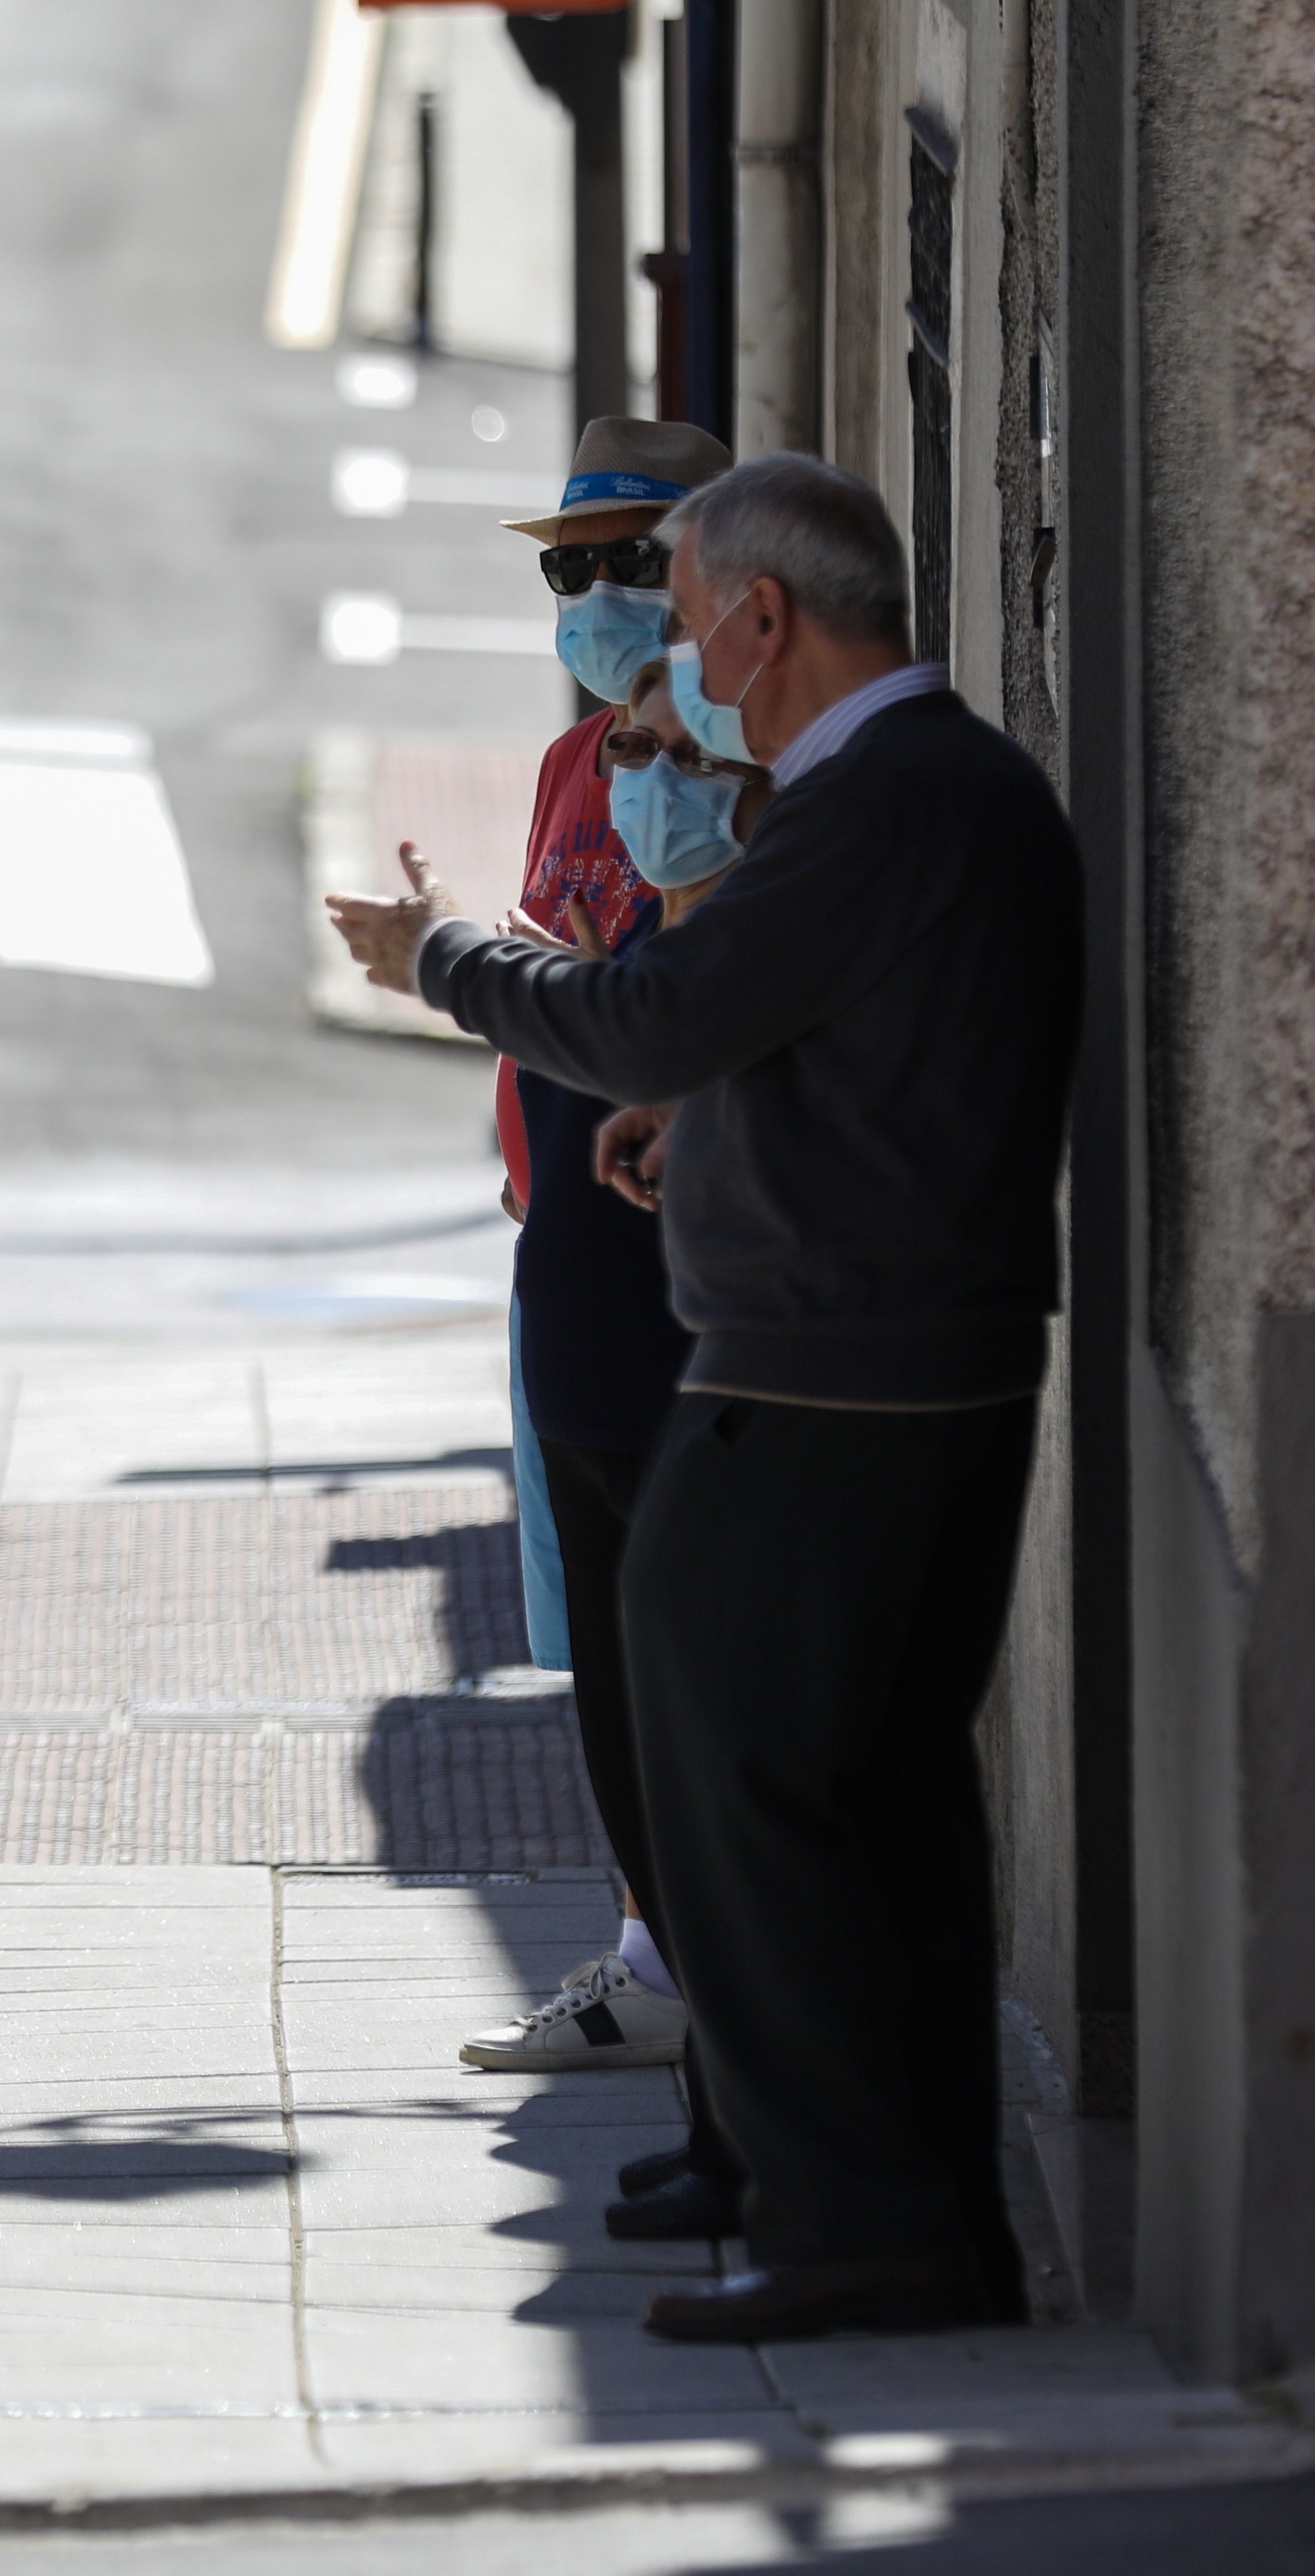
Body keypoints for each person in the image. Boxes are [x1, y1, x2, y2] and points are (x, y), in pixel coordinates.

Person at [325, 454, 1082, 2343]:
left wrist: (438, 957)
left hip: (826, 1380)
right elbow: (833, 1053)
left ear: (763, 615)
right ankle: (897, 2212)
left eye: (679, 605)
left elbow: (655, 1011)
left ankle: (855, 2220)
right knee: (859, 1796)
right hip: (893, 1360)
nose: (668, 651)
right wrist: (721, 1117)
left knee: (751, 1797)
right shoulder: (930, 791)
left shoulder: (874, 795)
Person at [458, 417, 727, 2087]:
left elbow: (674, 982)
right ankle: (647, 1946)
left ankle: (686, 1964)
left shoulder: (720, 762)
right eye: (573, 566)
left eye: (634, 560)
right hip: (560, 1232)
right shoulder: (574, 762)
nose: (597, 593)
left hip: (668, 1255)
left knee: (674, 1629)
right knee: (604, 1643)